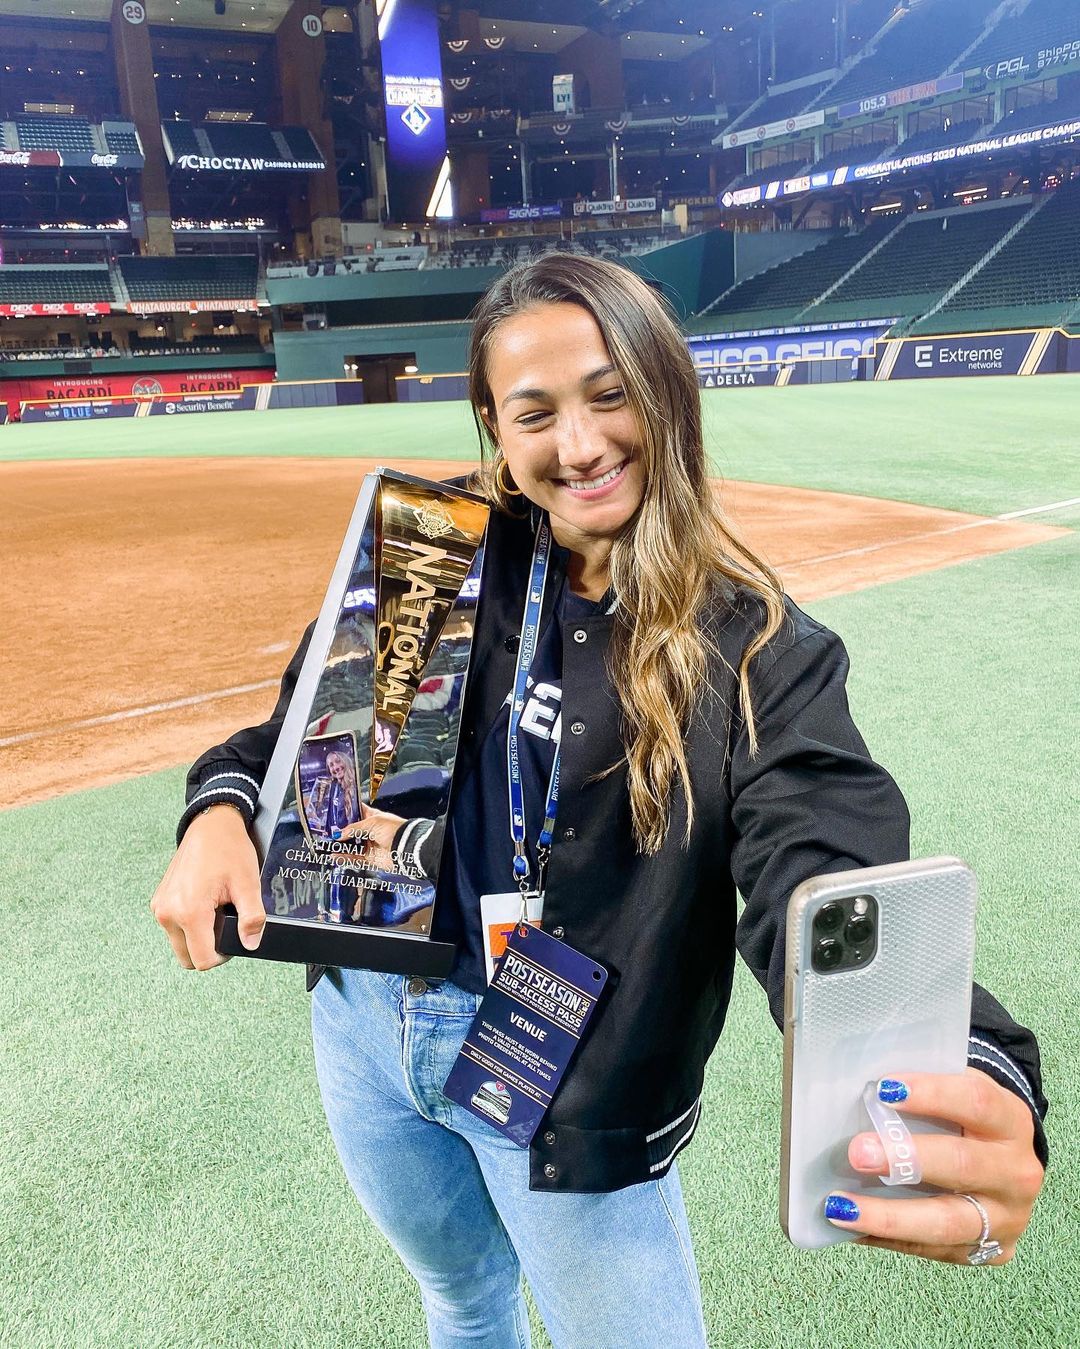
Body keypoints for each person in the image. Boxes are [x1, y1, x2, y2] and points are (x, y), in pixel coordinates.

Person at [151, 254, 1047, 1348]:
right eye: (537, 413)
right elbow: (297, 739)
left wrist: (953, 1049)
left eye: (610, 394)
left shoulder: (753, 646)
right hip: (365, 1027)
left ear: (665, 390)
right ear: (497, 425)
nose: (579, 445)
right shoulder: (429, 562)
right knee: (461, 1296)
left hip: (572, 1061)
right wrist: (219, 807)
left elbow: (820, 856)